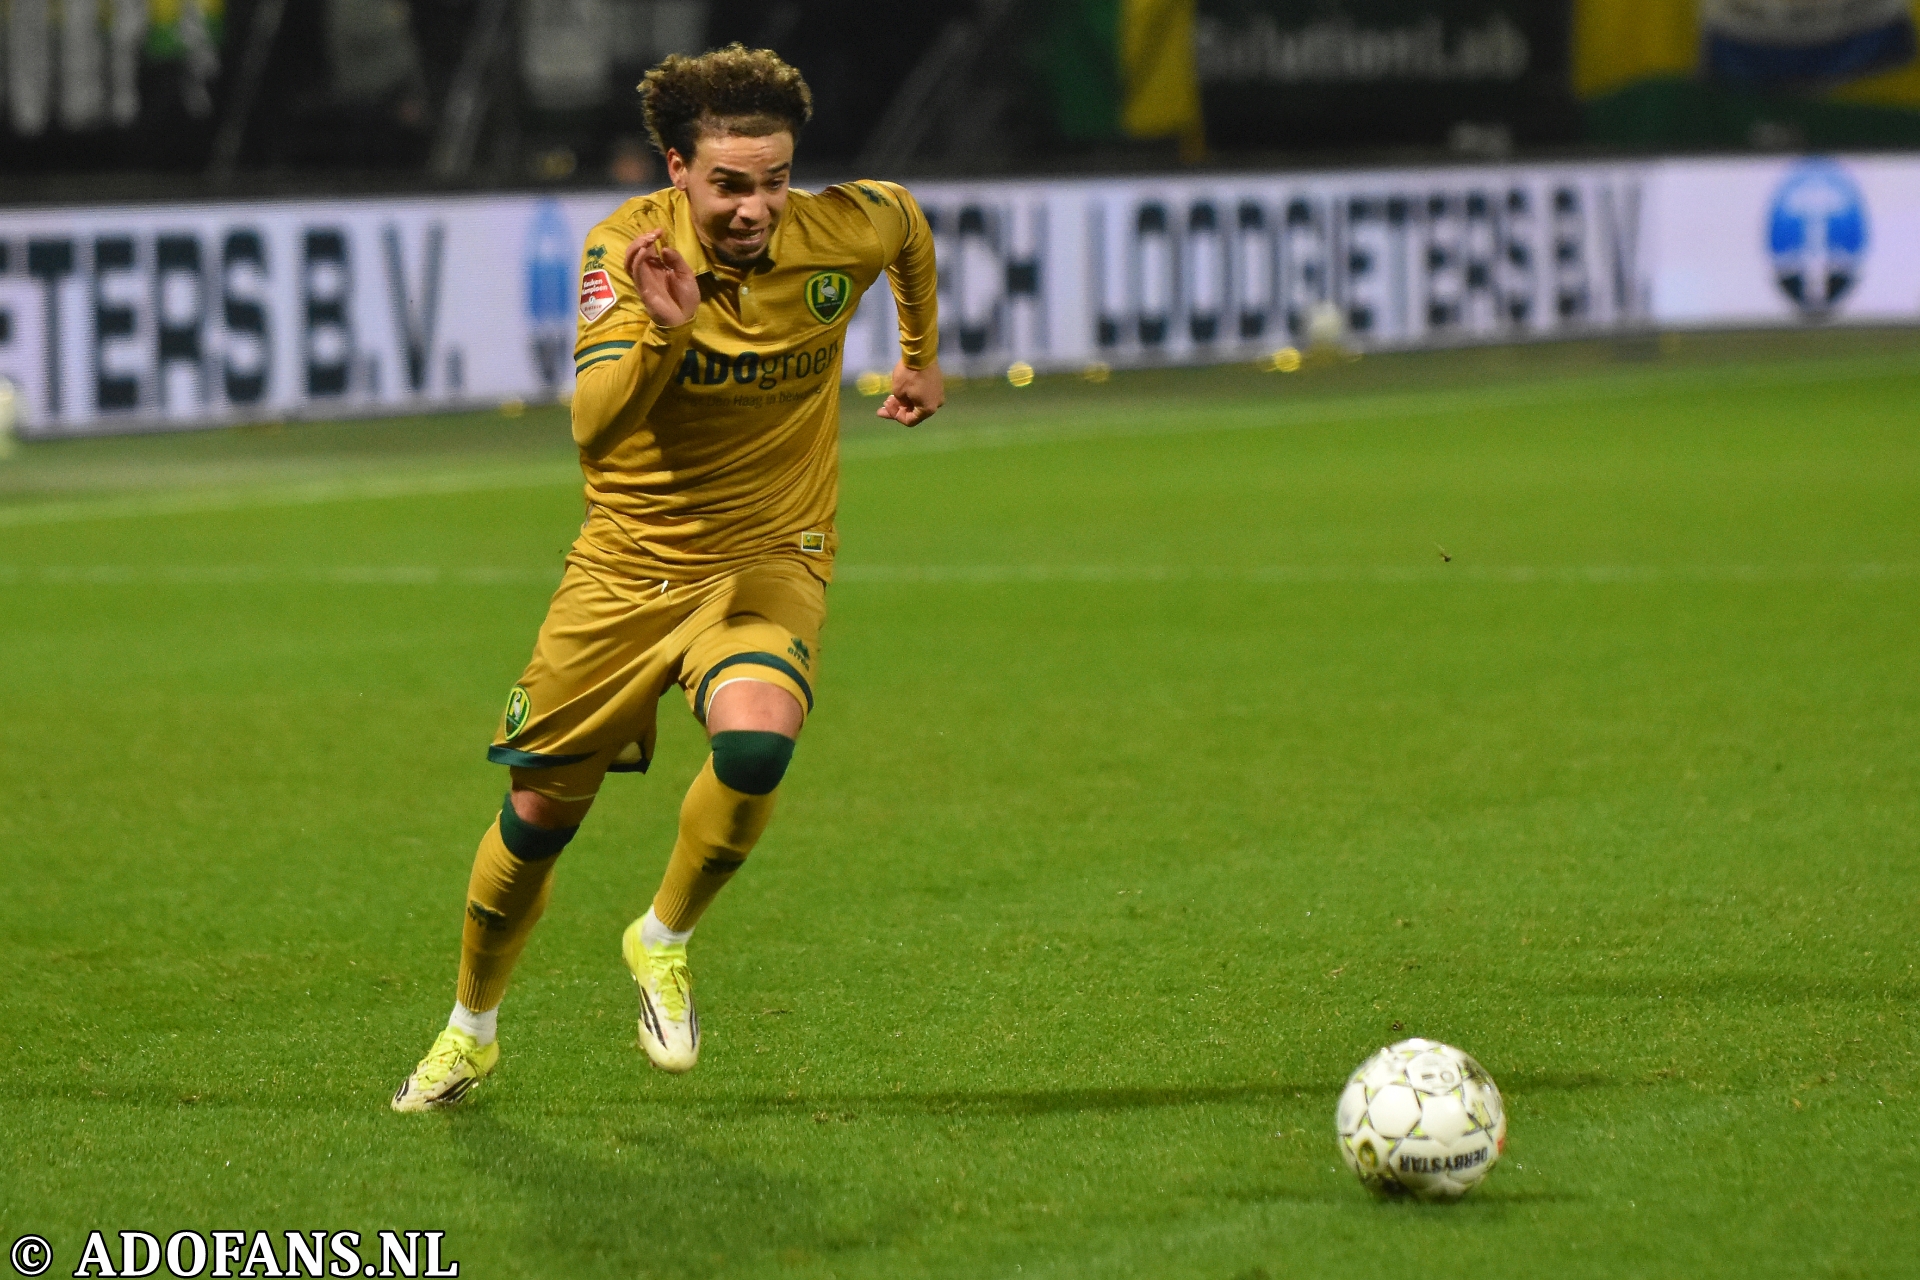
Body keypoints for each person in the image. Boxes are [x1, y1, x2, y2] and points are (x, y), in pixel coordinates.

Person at [392, 43, 942, 1111]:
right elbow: (593, 430)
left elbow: (908, 226)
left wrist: (917, 350)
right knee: (542, 813)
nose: (755, 207)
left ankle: (662, 938)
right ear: (677, 168)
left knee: (755, 740)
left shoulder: (842, 226)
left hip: (771, 554)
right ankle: (472, 1027)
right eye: (730, 183)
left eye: (774, 179)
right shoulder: (624, 252)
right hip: (631, 566)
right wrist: (665, 330)